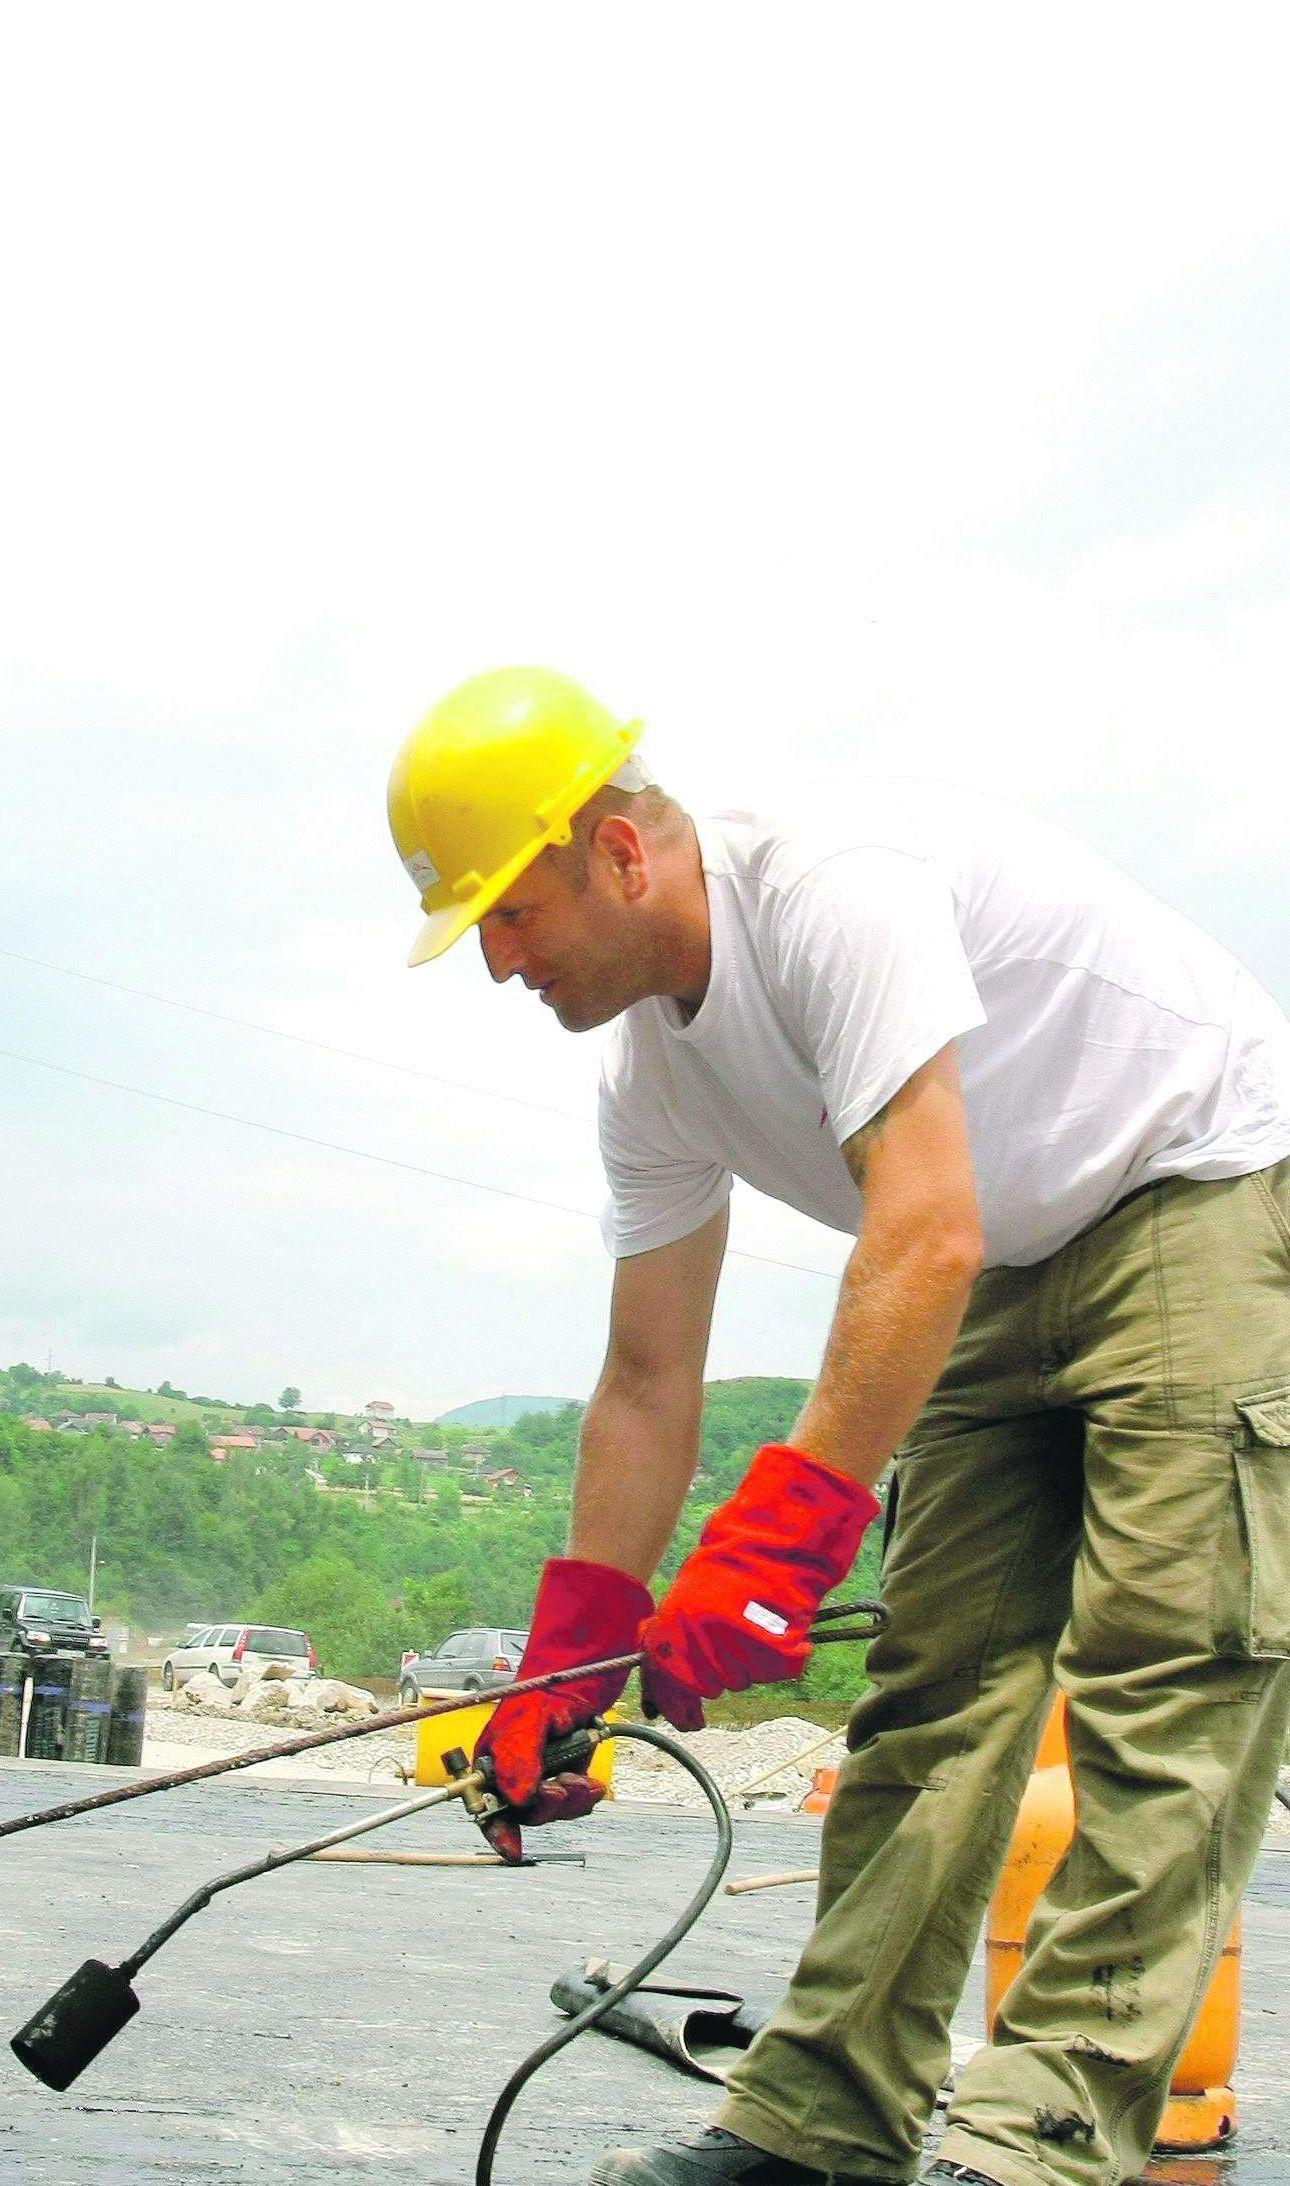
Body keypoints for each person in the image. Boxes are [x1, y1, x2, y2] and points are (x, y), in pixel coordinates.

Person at [386, 667, 1290, 2186]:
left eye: (511, 911)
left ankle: (1034, 2141)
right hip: (1002, 1242)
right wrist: (577, 1647)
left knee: (1162, 1680)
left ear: (616, 850)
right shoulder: (647, 1077)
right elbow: (645, 1379)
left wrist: (780, 1539)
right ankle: (815, 2120)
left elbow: (918, 1229)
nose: (494, 962)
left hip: (1195, 1173)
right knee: (932, 1693)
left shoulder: (824, 890)